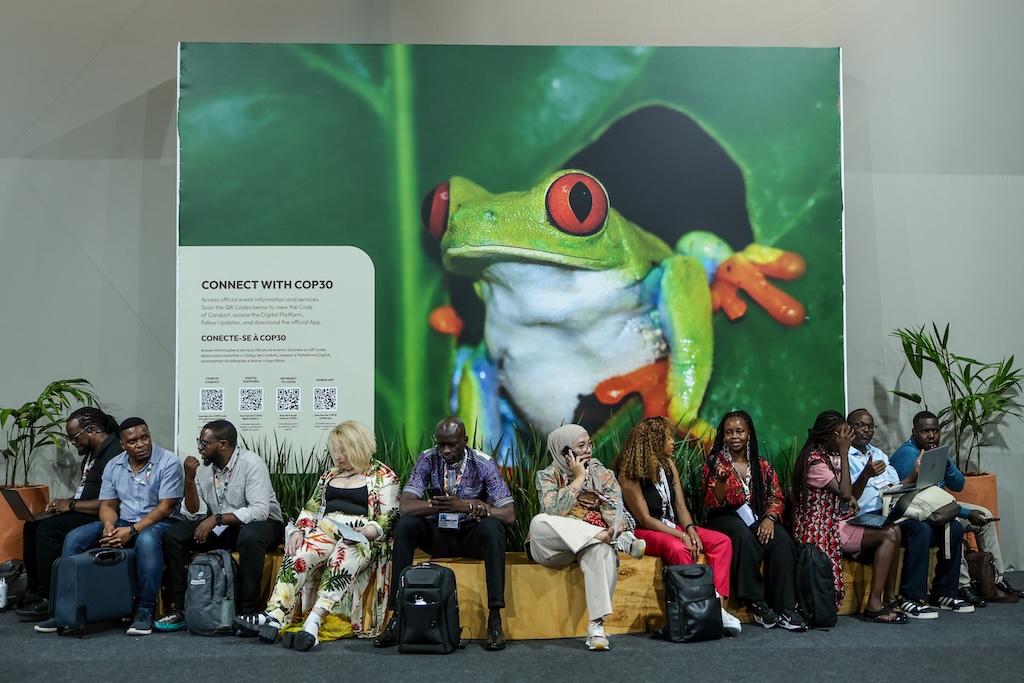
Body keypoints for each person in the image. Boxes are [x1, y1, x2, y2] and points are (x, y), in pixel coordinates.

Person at [233, 421, 399, 650]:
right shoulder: (329, 475)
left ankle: (314, 620)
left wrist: (366, 532)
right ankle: (273, 616)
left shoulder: (383, 476)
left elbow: (387, 519)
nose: (338, 457)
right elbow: (311, 509)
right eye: (335, 452)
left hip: (359, 536)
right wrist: (298, 532)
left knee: (345, 556)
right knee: (298, 553)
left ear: (358, 446)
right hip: (325, 530)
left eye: (343, 451)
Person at [374, 416, 515, 651]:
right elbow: (406, 506)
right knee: (406, 525)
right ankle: (397, 617)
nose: (446, 451)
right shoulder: (428, 459)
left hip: (470, 536)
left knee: (493, 527)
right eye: (441, 445)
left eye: (452, 445)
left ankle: (494, 619)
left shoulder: (483, 463)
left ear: (465, 441)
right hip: (438, 535)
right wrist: (442, 506)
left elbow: (509, 515)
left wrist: (468, 506)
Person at [46, 417, 184, 636]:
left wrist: (133, 530)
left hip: (160, 522)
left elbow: (166, 507)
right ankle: (66, 609)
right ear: (122, 444)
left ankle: (144, 610)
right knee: (74, 537)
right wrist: (109, 526)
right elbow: (108, 505)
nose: (141, 444)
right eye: (133, 441)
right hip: (123, 521)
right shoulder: (114, 465)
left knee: (147, 541)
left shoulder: (168, 461)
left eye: (144, 437)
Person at [612, 416, 741, 636]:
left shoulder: (668, 466)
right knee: (677, 548)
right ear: (653, 442)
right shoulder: (629, 471)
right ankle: (691, 610)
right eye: (668, 438)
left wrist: (690, 530)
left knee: (722, 541)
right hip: (645, 531)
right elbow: (645, 519)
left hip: (671, 526)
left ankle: (715, 607)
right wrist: (681, 537)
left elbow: (680, 506)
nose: (673, 442)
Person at [156, 420, 285, 632]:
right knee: (174, 535)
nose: (199, 447)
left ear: (223, 444)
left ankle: (248, 613)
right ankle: (182, 609)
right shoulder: (204, 469)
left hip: (264, 525)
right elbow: (194, 513)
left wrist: (217, 519)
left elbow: (260, 511)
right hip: (225, 526)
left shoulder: (252, 463)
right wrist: (189, 480)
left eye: (204, 443)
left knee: (250, 537)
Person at [528, 424, 646, 651]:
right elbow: (553, 511)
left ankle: (596, 627)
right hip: (554, 549)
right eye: (580, 446)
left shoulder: (603, 475)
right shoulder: (546, 476)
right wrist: (579, 478)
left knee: (602, 550)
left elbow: (616, 514)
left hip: (588, 547)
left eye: (589, 444)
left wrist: (614, 530)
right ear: (564, 452)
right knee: (538, 523)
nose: (588, 450)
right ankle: (611, 540)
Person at [891, 411, 1020, 605]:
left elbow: (958, 485)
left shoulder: (936, 450)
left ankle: (995, 579)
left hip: (941, 503)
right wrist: (966, 513)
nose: (931, 435)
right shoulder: (908, 454)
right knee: (953, 522)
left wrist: (946, 462)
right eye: (925, 431)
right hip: (920, 508)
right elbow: (929, 500)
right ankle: (962, 585)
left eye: (935, 430)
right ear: (914, 432)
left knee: (985, 515)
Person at [15, 407, 122, 623]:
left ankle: (48, 598)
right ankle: (35, 590)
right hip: (85, 510)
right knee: (31, 524)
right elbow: (88, 491)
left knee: (47, 530)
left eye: (74, 437)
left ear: (91, 429)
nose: (73, 442)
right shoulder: (92, 454)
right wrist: (64, 503)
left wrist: (71, 505)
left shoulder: (115, 453)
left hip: (104, 516)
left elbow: (111, 502)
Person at [702, 410, 806, 631]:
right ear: (723, 435)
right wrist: (720, 482)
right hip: (724, 517)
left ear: (749, 433)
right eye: (729, 432)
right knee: (742, 536)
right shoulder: (714, 463)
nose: (735, 436)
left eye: (740, 431)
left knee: (782, 540)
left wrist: (770, 518)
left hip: (757, 516)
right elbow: (712, 502)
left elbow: (775, 496)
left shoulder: (762, 465)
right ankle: (756, 603)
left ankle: (786, 606)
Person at [840, 409, 907, 622]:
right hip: (855, 516)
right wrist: (866, 474)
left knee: (901, 526)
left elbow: (895, 485)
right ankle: (875, 603)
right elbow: (847, 497)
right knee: (892, 531)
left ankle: (889, 597)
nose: (866, 430)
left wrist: (914, 477)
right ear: (848, 427)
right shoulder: (842, 457)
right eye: (860, 425)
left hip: (887, 508)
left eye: (870, 426)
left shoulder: (879, 454)